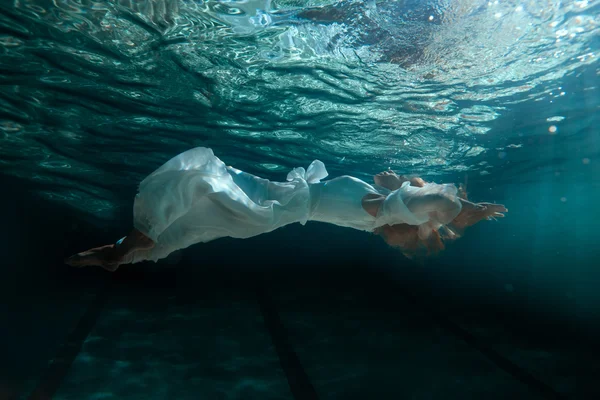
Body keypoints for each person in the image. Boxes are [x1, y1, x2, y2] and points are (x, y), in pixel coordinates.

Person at [65, 147, 506, 271]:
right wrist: (468, 209)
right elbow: (425, 197)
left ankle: (127, 248)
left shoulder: (383, 212)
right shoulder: (384, 207)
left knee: (198, 180)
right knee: (185, 228)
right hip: (271, 195)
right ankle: (120, 253)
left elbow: (435, 200)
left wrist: (463, 207)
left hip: (271, 207)